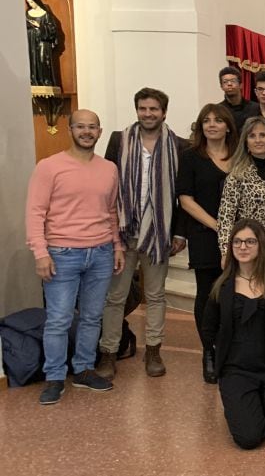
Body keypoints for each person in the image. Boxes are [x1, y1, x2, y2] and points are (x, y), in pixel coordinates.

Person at [26, 109, 125, 405]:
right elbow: (35, 212)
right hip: (62, 253)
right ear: (70, 130)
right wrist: (40, 253)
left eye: (92, 127)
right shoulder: (49, 167)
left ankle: (83, 369)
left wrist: (117, 246)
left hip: (102, 252)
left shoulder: (109, 168)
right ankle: (55, 376)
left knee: (93, 317)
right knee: (58, 319)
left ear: (100, 131)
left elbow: (111, 212)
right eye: (80, 126)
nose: (86, 132)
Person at [98, 88, 186, 381]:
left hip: (159, 233)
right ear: (136, 110)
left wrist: (179, 233)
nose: (148, 114)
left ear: (164, 112)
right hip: (125, 232)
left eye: (154, 109)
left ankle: (153, 351)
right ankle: (109, 352)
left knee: (156, 295)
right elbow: (109, 188)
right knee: (115, 297)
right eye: (143, 108)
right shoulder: (119, 140)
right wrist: (111, 232)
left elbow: (181, 195)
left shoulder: (179, 145)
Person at [201, 220, 265, 449]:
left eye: (250, 241)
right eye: (237, 242)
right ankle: (245, 403)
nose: (243, 247)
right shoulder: (221, 286)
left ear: (261, 245)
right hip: (237, 371)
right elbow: (208, 329)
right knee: (249, 439)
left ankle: (264, 402)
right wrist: (222, 355)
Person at [177, 103, 238, 383]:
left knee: (235, 292)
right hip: (205, 233)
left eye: (218, 120)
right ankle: (209, 351)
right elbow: (185, 199)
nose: (212, 125)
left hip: (240, 237)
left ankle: (234, 350)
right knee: (207, 294)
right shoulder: (191, 157)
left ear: (228, 125)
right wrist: (218, 226)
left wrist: (234, 231)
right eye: (206, 121)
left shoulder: (240, 155)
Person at [26, 0, 60, 86]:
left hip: (43, 41)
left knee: (43, 60)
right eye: (28, 3)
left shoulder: (46, 14)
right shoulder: (28, 13)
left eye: (32, 2)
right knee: (32, 61)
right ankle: (33, 81)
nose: (30, 4)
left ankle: (45, 82)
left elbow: (52, 29)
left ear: (36, 1)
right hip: (31, 41)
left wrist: (39, 26)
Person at [218, 66, 260, 130]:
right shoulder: (219, 110)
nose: (229, 84)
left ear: (241, 85)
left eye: (233, 81)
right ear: (221, 86)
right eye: (225, 82)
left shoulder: (255, 108)